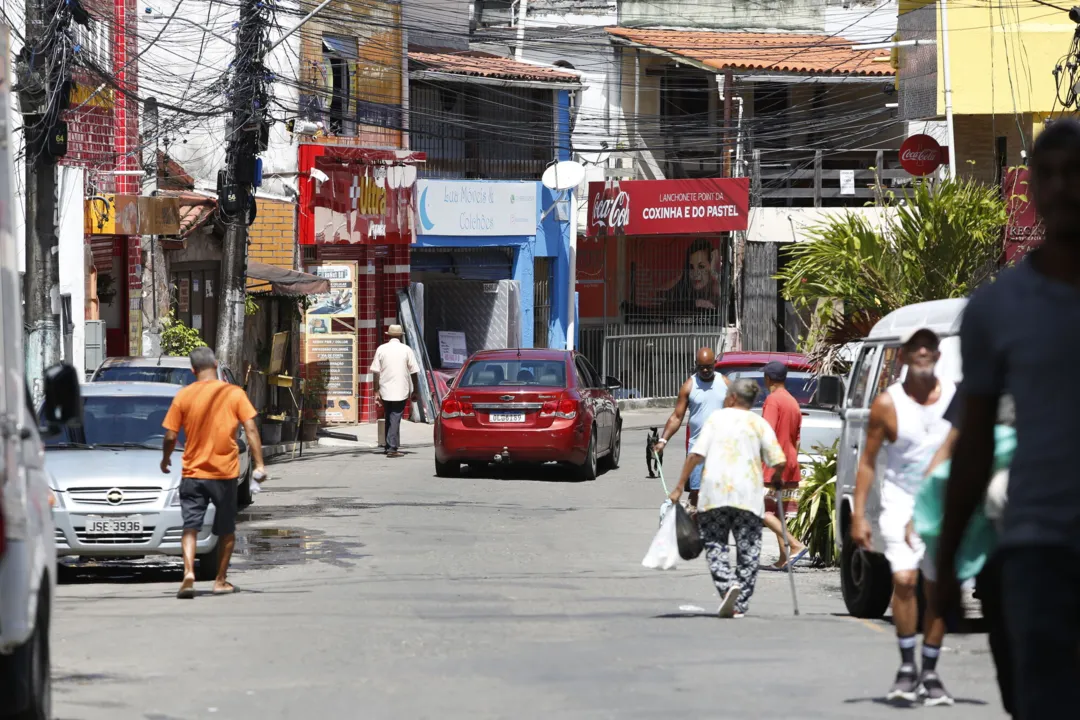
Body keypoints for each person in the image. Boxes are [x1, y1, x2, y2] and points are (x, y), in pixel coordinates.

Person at [937, 119, 1080, 720]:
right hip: (1036, 550)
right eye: (1049, 175)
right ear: (1033, 190)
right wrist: (944, 561)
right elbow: (970, 444)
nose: (1064, 188)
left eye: (1076, 174)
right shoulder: (998, 308)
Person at [850, 327, 956, 706]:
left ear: (938, 356)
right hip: (898, 504)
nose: (923, 352)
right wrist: (859, 515)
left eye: (929, 347)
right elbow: (867, 462)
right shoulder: (887, 404)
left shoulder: (955, 400)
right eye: (916, 348)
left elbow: (963, 450)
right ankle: (908, 666)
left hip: (940, 507)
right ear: (905, 357)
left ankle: (930, 670)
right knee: (906, 580)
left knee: (938, 588)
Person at [668, 379, 787, 618]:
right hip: (748, 496)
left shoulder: (716, 420)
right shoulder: (759, 423)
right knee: (749, 551)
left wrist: (680, 485)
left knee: (716, 546)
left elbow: (696, 455)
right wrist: (777, 478)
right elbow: (779, 460)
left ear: (732, 398)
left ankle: (727, 587)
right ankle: (740, 603)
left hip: (715, 495)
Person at [161, 347, 266, 599]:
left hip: (193, 472)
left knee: (190, 526)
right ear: (216, 364)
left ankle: (188, 574)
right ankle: (220, 580)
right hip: (224, 473)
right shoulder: (233, 393)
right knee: (226, 528)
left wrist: (165, 459)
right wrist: (260, 464)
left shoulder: (183, 396)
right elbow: (250, 429)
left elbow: (170, 435)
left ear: (192, 370)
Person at [654, 346, 730, 508]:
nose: (704, 370)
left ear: (714, 364)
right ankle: (694, 525)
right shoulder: (689, 385)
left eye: (708, 367)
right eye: (701, 367)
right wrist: (663, 440)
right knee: (696, 491)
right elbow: (677, 417)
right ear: (696, 364)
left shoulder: (724, 383)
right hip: (697, 448)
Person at [760, 361, 808, 569]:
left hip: (774, 464)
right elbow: (797, 440)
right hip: (789, 462)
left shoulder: (772, 400)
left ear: (768, 379)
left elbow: (766, 433)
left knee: (759, 510)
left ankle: (796, 545)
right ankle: (783, 559)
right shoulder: (793, 402)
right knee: (778, 511)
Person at [370, 324, 420, 458]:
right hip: (401, 389)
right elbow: (414, 372)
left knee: (389, 417)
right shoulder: (406, 349)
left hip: (385, 389)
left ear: (389, 335)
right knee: (395, 418)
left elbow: (376, 372)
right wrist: (416, 390)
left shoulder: (381, 349)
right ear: (400, 335)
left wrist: (376, 391)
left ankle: (389, 445)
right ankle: (392, 448)